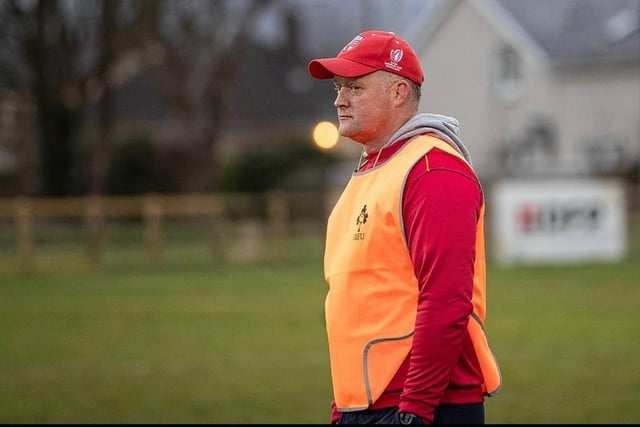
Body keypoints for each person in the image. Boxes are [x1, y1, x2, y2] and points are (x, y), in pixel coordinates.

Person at [307, 30, 502, 424]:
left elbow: (446, 299)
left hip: (419, 407)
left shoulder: (432, 168)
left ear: (398, 92)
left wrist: (414, 408)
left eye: (355, 87)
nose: (339, 99)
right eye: (339, 87)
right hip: (367, 406)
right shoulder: (376, 167)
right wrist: (344, 405)